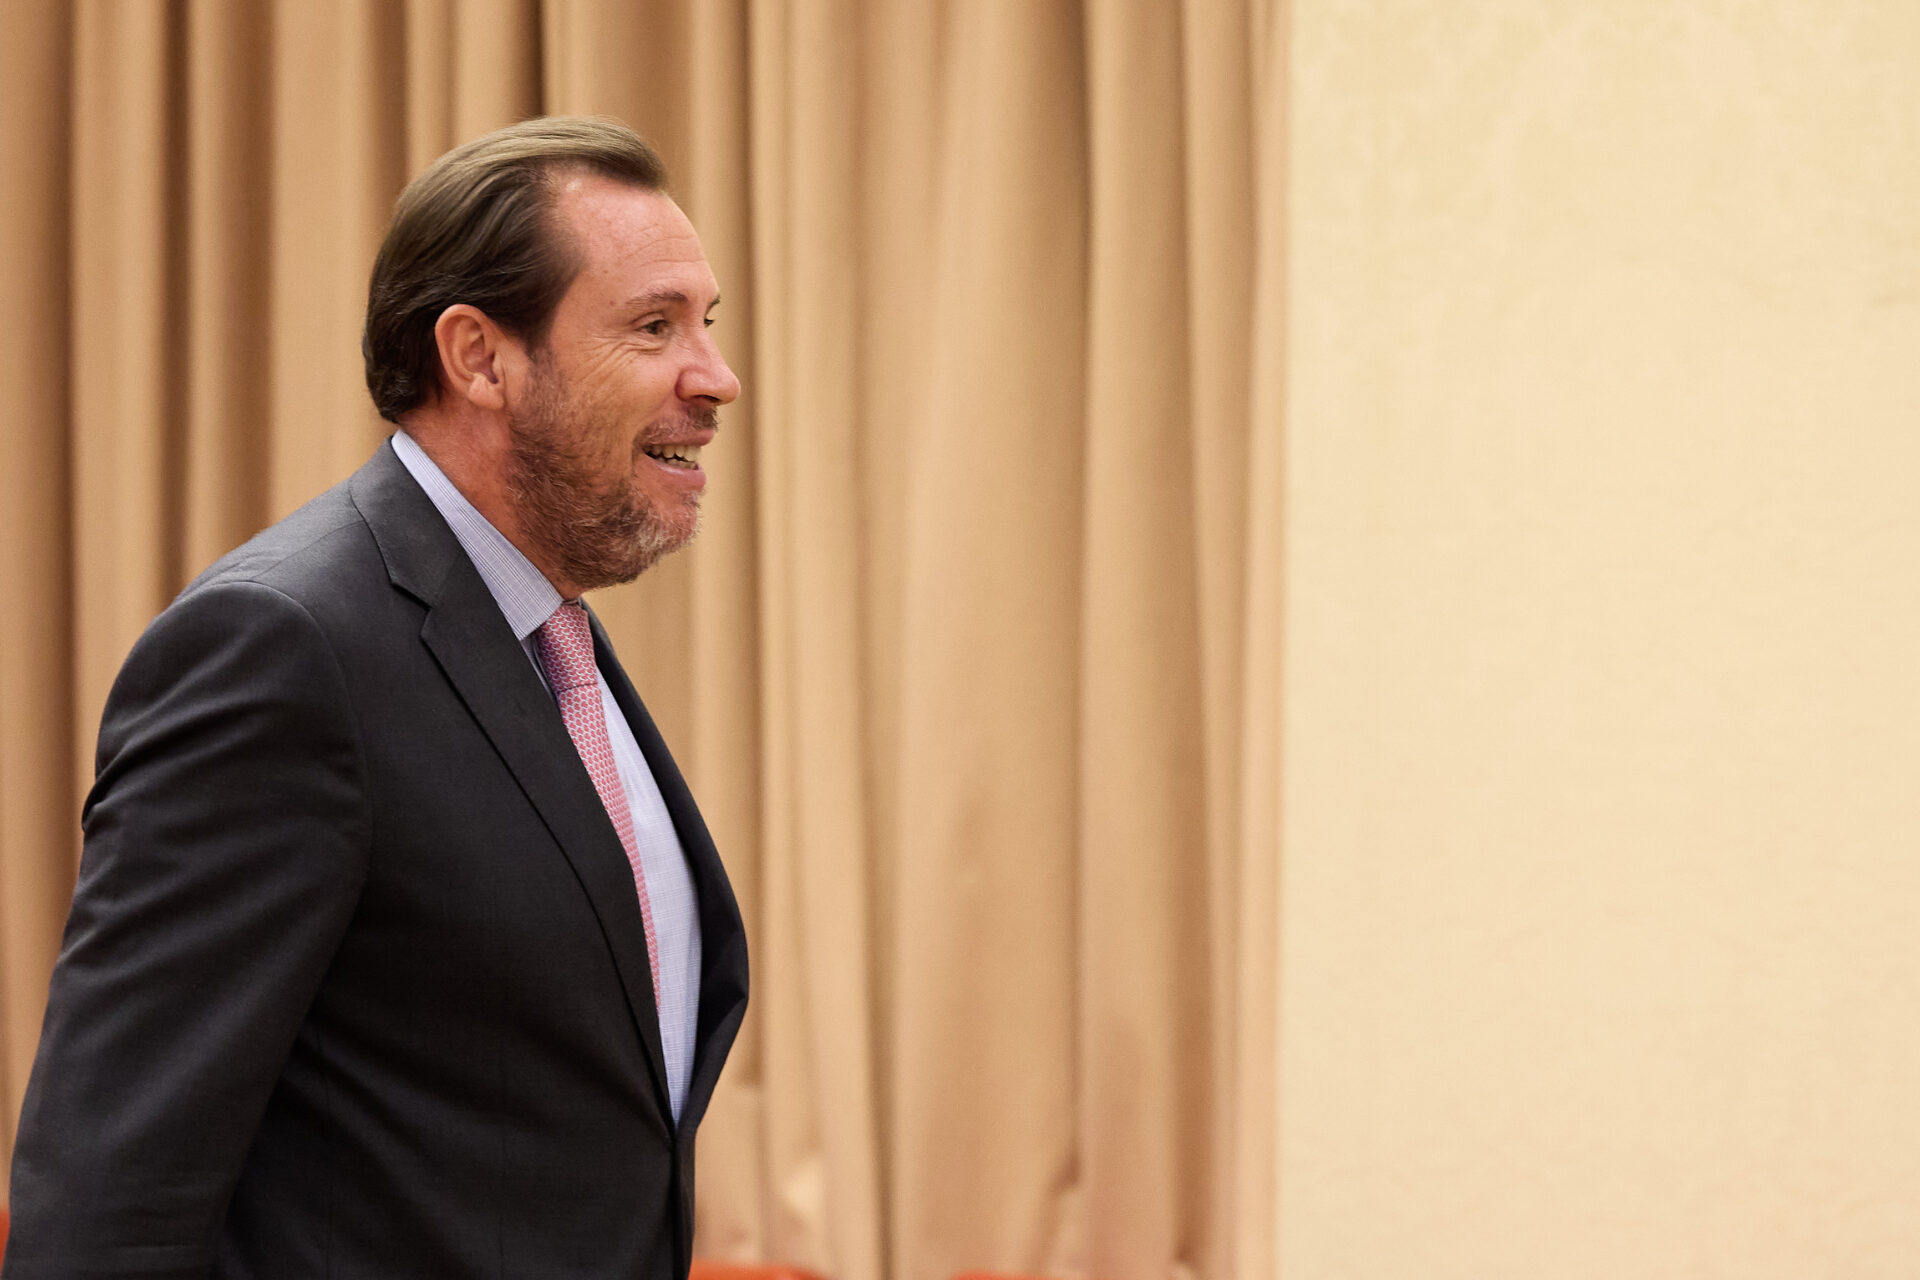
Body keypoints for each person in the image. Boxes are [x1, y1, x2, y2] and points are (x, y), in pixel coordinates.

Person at [2, 116, 747, 1279]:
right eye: (654, 326)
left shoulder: (546, 637)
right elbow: (113, 1190)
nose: (717, 378)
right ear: (479, 356)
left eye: (707, 323)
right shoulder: (280, 648)